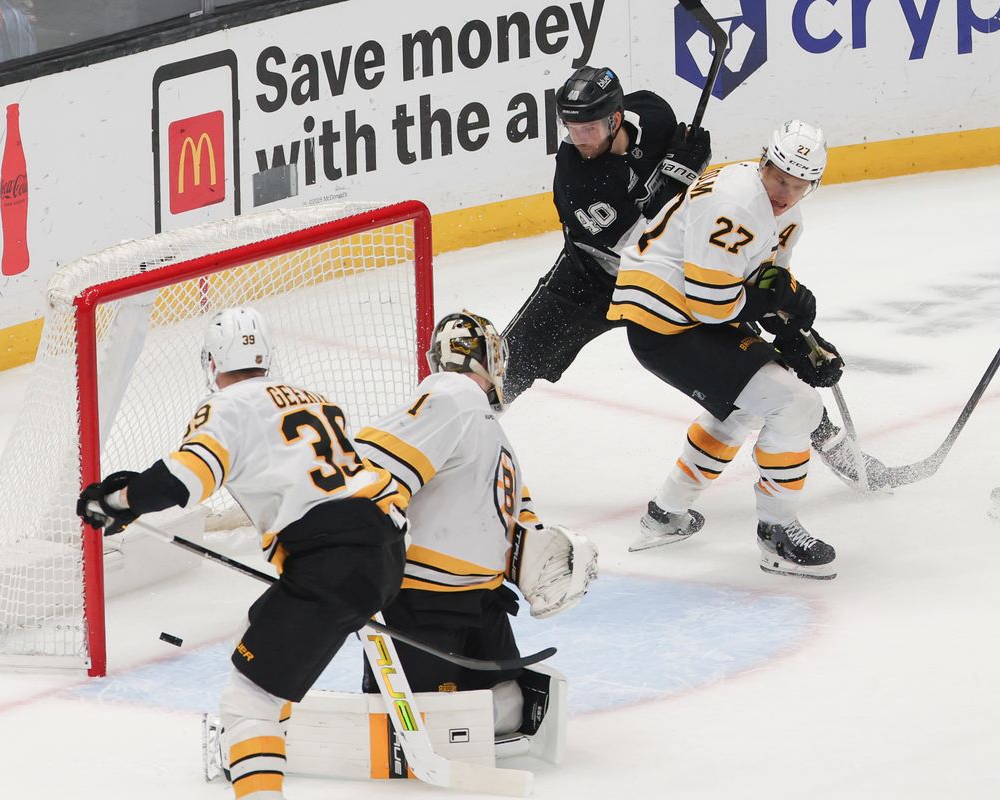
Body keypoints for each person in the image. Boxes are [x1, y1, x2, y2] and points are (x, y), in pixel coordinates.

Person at [77, 307, 408, 800]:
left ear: (211, 362)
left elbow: (184, 479)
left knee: (248, 699)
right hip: (386, 546)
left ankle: (255, 751)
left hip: (327, 559)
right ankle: (256, 748)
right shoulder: (315, 398)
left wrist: (116, 501)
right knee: (258, 641)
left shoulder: (226, 406)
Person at [606, 120, 846, 580]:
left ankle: (666, 514)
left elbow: (761, 286)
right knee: (795, 404)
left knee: (745, 408)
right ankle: (776, 534)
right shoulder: (735, 206)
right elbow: (714, 305)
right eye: (780, 179)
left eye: (799, 186)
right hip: (668, 325)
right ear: (764, 162)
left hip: (684, 319)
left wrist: (797, 337)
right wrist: (778, 304)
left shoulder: (780, 213)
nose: (786, 192)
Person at [353, 311, 597, 737]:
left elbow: (513, 510)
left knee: (507, 711)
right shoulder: (452, 396)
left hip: (479, 602)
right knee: (414, 729)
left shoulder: (485, 425)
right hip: (426, 602)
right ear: (488, 359)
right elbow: (373, 464)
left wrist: (533, 549)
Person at [500, 65, 712, 404]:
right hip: (589, 281)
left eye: (589, 128)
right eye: (571, 128)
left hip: (668, 277)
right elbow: (643, 248)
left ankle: (816, 431)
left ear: (615, 119)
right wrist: (677, 183)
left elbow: (680, 222)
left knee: (741, 360)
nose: (579, 138)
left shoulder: (654, 115)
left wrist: (688, 171)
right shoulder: (576, 179)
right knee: (503, 370)